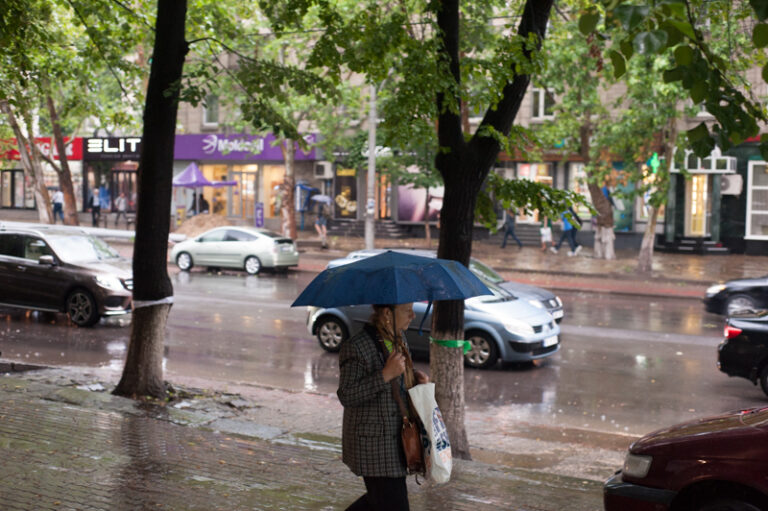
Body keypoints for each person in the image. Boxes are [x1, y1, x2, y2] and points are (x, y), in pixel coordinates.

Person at [338, 303, 429, 511]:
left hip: (399, 439)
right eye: (407, 310)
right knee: (391, 502)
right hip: (374, 445)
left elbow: (398, 386)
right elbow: (347, 395)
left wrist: (416, 382)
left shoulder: (398, 339)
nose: (413, 315)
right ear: (388, 313)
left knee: (379, 501)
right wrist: (385, 375)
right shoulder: (356, 346)